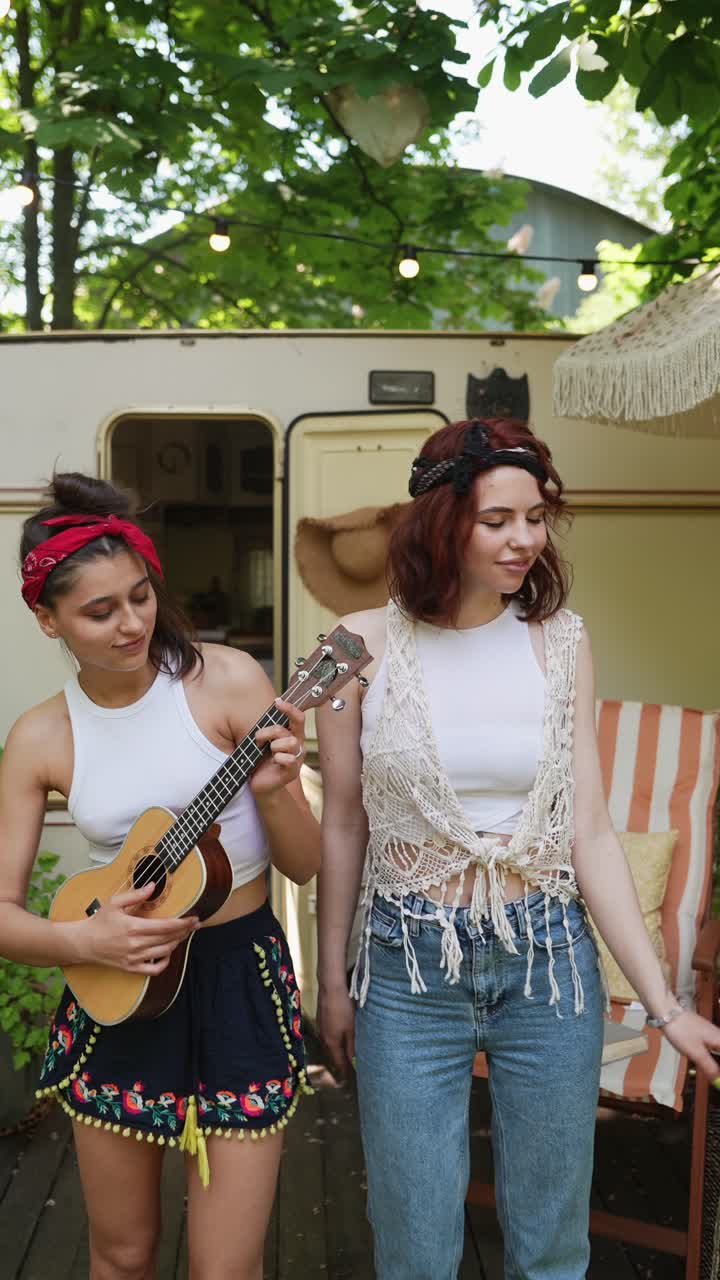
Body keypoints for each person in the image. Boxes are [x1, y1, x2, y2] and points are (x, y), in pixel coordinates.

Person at [316, 418, 720, 1280]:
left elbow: (592, 834)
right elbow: (343, 820)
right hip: (406, 969)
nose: (524, 539)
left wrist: (665, 1005)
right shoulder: (355, 647)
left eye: (535, 517)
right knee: (415, 1245)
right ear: (440, 521)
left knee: (550, 1245)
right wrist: (332, 982)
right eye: (498, 519)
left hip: (548, 964)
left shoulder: (561, 641)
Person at [0, 472, 320, 1280]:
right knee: (121, 1252)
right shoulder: (40, 735)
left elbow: (305, 864)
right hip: (117, 993)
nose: (131, 623)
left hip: (239, 979)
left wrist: (280, 796)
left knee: (225, 1266)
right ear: (48, 620)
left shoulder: (227, 681)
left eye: (140, 597)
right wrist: (84, 937)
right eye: (99, 612)